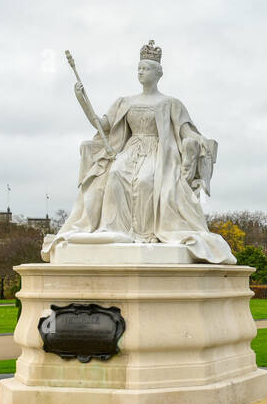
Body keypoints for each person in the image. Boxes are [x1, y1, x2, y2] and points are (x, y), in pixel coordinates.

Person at [42, 40, 234, 264]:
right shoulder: (125, 101)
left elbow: (185, 132)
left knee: (145, 181)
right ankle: (114, 230)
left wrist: (202, 142)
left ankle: (145, 234)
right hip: (130, 150)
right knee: (114, 176)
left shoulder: (171, 103)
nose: (141, 72)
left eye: (146, 68)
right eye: (139, 68)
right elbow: (102, 125)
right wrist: (82, 100)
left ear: (158, 73)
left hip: (158, 152)